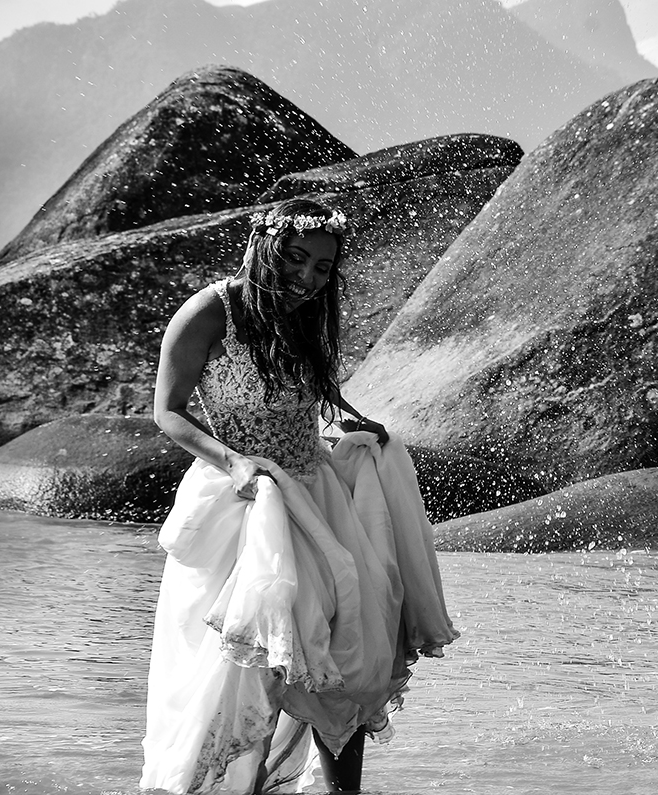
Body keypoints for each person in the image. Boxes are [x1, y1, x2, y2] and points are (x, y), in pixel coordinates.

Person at [143, 198, 459, 793]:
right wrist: (233, 461)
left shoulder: (305, 315)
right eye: (297, 260)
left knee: (345, 655)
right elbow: (167, 410)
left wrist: (354, 418)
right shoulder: (213, 310)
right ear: (267, 247)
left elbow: (311, 390)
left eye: (323, 268)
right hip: (243, 505)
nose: (309, 279)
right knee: (255, 665)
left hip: (317, 495)